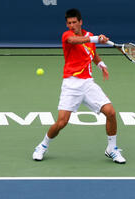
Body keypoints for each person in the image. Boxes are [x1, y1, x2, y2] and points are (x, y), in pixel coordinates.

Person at [32, 8, 126, 164]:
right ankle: (42, 145)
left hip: (88, 83)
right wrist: (96, 39)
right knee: (62, 122)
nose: (71, 25)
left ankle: (112, 149)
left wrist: (101, 64)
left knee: (110, 112)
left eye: (74, 22)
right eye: (69, 23)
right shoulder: (67, 36)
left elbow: (92, 53)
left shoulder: (89, 36)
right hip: (71, 84)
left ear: (80, 22)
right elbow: (75, 41)